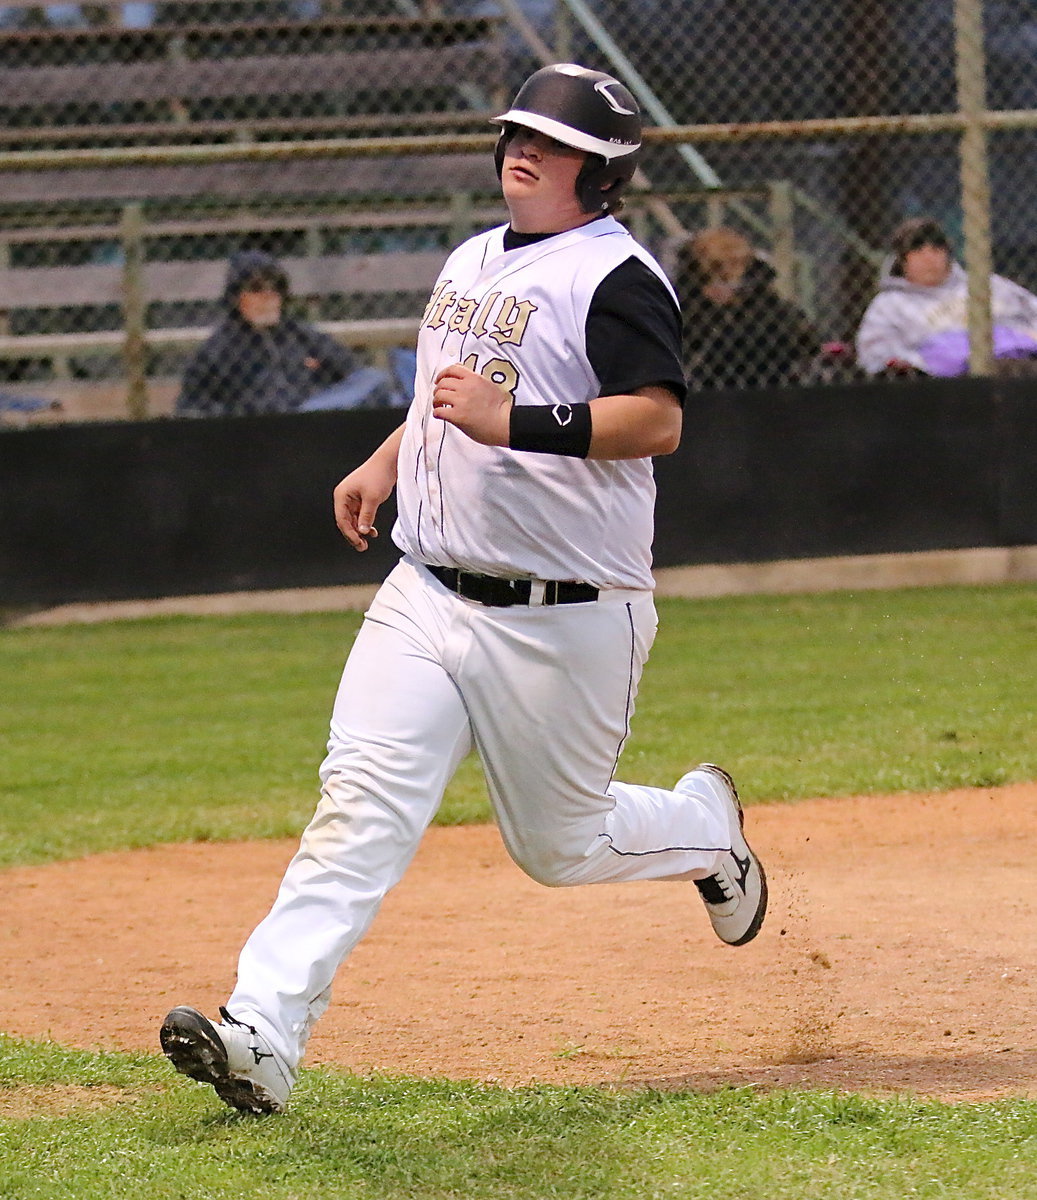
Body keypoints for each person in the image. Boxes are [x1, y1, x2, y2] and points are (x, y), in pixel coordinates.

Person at [159, 63, 768, 1116]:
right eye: (514, 132)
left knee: (559, 846)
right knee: (357, 809)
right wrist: (388, 457)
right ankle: (260, 1032)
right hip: (426, 592)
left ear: (604, 168)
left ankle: (705, 829)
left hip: (565, 613)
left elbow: (656, 418)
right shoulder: (473, 256)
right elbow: (444, 389)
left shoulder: (613, 276)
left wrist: (513, 424)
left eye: (552, 140)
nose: (520, 150)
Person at [175, 249, 393, 417]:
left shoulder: (302, 337)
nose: (268, 296)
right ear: (236, 296)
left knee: (375, 379)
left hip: (316, 425)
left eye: (275, 288)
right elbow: (191, 407)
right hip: (254, 434)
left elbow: (352, 376)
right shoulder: (218, 350)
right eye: (256, 288)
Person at [855, 217, 1037, 378]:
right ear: (902, 261)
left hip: (1019, 367)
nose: (929, 258)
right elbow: (875, 355)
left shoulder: (987, 285)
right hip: (941, 385)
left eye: (936, 250)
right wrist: (923, 365)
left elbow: (1032, 309)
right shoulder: (888, 305)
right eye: (918, 251)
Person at [675, 226, 820, 391]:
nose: (731, 271)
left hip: (767, 377)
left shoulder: (766, 302)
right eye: (719, 266)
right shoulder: (687, 305)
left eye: (739, 262)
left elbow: (807, 341)